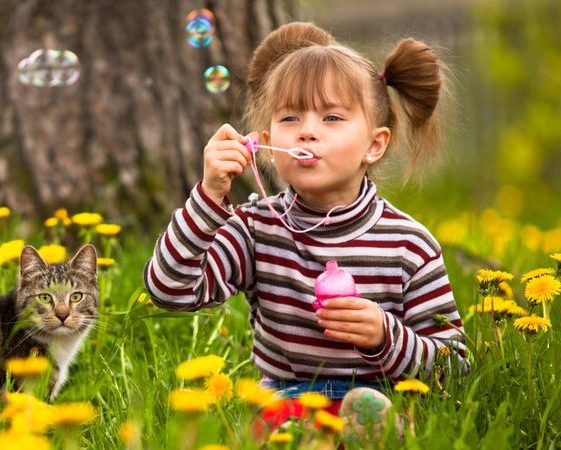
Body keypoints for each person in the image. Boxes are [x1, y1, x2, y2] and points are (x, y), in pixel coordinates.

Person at [143, 21, 468, 439]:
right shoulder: (256, 229)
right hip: (285, 401)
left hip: (380, 394)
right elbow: (168, 290)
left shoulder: (409, 245)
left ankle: (363, 430)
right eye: (290, 117)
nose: (307, 130)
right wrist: (208, 197)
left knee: (376, 415)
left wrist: (385, 335)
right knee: (279, 426)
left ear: (375, 143)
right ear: (265, 140)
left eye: (332, 117)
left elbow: (454, 370)